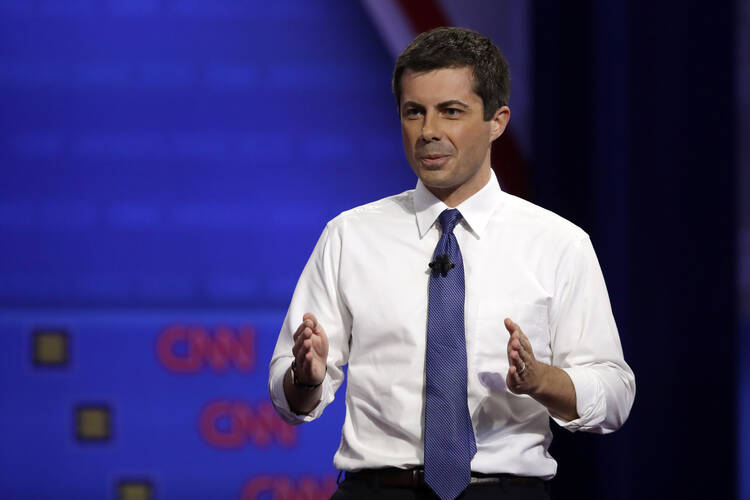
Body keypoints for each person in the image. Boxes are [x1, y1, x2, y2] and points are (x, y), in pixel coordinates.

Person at [268, 27, 635, 500]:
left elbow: (614, 395)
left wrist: (542, 380)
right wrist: (305, 378)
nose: (428, 132)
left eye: (451, 112)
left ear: (497, 120)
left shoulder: (558, 243)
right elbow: (289, 398)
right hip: (378, 490)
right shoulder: (350, 236)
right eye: (413, 112)